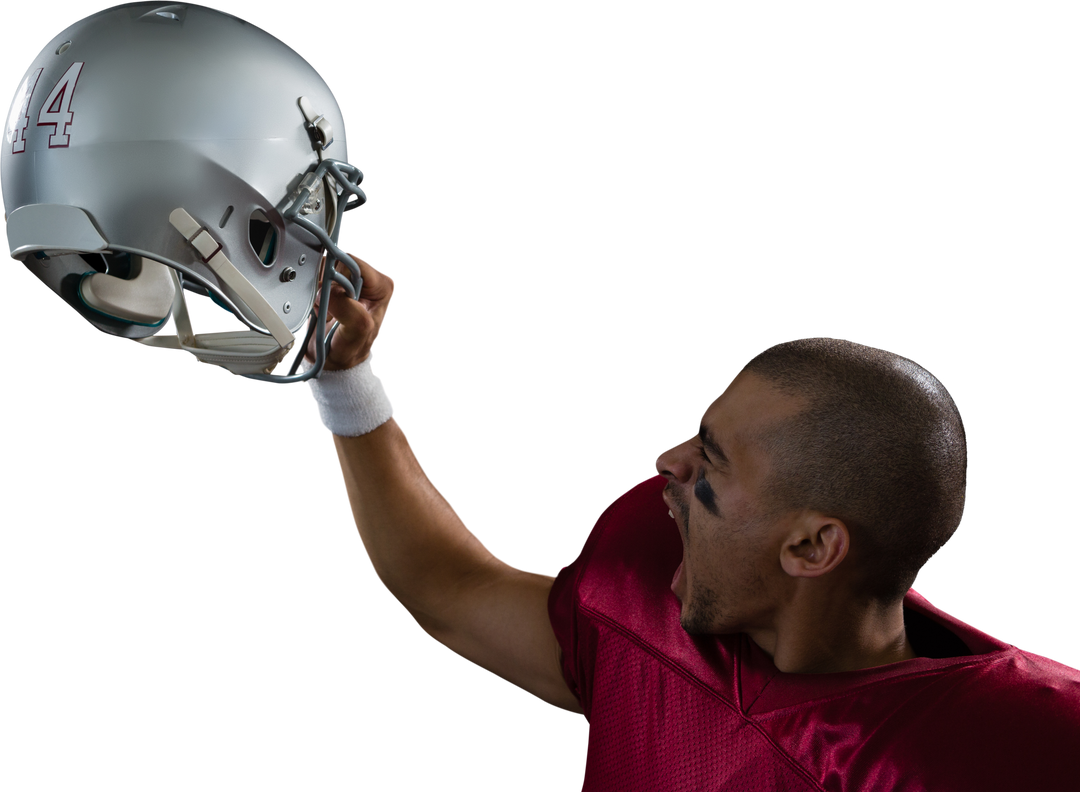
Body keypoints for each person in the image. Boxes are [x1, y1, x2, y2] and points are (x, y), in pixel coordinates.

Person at [300, 252, 1080, 790]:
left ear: (811, 546)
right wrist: (346, 377)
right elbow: (452, 592)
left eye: (713, 459)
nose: (667, 462)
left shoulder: (1022, 748)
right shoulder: (658, 582)